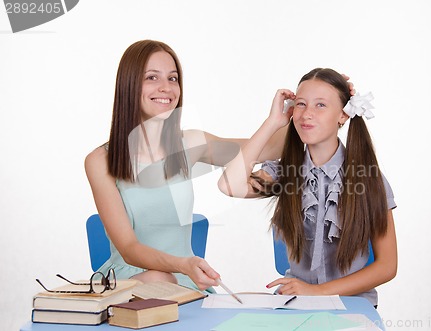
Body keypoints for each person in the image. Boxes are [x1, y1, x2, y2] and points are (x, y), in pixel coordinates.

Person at [84, 40, 287, 291]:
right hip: (133, 282)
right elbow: (129, 249)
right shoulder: (100, 161)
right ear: (129, 85)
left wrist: (301, 113)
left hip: (184, 278)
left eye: (173, 78)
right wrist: (182, 265)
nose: (166, 88)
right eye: (152, 78)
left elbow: (268, 149)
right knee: (159, 280)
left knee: (169, 285)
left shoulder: (189, 143)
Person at [218, 68, 397, 306]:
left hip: (352, 304)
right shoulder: (286, 172)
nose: (307, 114)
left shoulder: (368, 179)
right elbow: (229, 185)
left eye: (320, 105)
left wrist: (318, 291)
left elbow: (387, 266)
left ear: (343, 115)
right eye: (301, 104)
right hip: (296, 301)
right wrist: (272, 123)